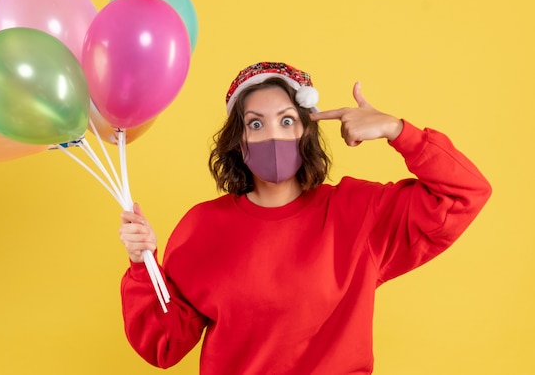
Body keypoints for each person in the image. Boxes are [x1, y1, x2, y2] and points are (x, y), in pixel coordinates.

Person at [119, 61, 492, 374]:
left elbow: (464, 193)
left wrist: (397, 130)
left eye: (286, 121)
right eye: (255, 124)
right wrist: (142, 265)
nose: (272, 136)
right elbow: (163, 345)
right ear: (237, 140)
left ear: (307, 130)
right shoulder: (202, 228)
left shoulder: (358, 212)